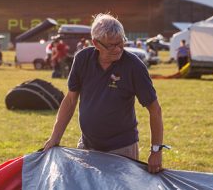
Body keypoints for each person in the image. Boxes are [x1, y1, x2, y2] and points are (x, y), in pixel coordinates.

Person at [43, 13, 165, 174]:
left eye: (120, 43)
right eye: (111, 45)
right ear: (95, 43)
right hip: (87, 146)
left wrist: (156, 151)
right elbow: (71, 100)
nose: (118, 49)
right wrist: (55, 137)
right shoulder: (82, 59)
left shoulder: (134, 66)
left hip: (122, 150)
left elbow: (155, 110)